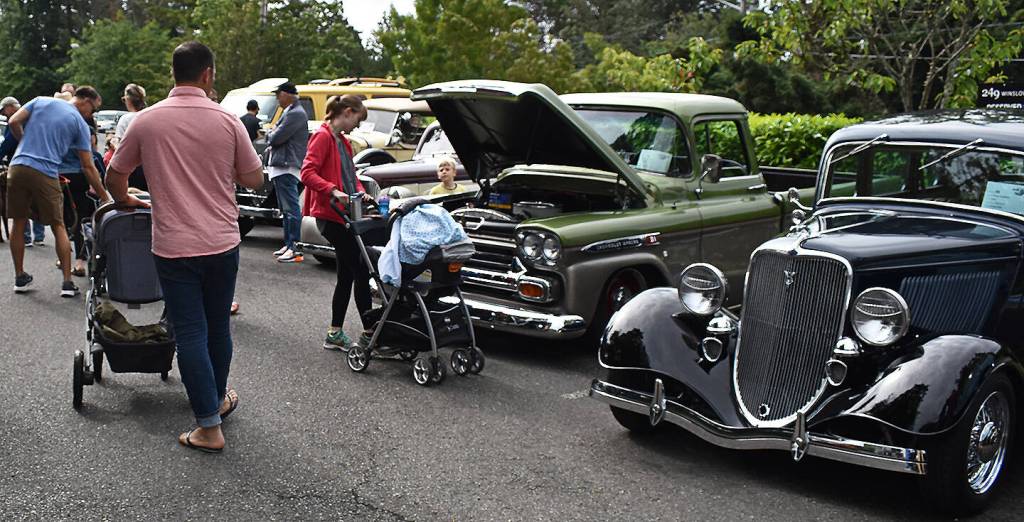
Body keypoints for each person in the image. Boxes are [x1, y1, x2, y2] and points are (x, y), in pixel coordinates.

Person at [106, 41, 263, 453]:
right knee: (216, 329)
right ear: (208, 74)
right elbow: (253, 179)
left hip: (173, 245)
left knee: (190, 331)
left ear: (173, 74)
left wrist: (126, 200)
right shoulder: (228, 121)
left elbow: (114, 174)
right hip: (222, 241)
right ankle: (215, 402)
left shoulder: (147, 120)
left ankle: (209, 424)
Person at [6, 87, 109, 296]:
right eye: (93, 109)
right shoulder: (80, 123)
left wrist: (24, 142)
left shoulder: (40, 99)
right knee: (58, 224)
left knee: (18, 221)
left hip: (17, 166)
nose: (92, 115)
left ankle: (19, 277)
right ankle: (67, 283)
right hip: (45, 171)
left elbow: (13, 121)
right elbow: (88, 166)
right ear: (86, 101)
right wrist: (104, 195)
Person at [300, 95, 374, 351]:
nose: (357, 125)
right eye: (357, 119)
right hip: (329, 215)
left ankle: (334, 332)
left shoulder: (343, 141)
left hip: (344, 215)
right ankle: (369, 333)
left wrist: (361, 190)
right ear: (347, 112)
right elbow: (307, 172)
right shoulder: (322, 136)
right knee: (360, 269)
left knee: (346, 274)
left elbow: (351, 177)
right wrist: (332, 190)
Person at [265, 81, 308, 263]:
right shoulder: (290, 111)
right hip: (282, 164)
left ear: (288, 94)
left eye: (279, 94)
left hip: (287, 165)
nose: (277, 98)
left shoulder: (296, 113)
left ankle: (295, 247)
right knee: (286, 208)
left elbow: (276, 137)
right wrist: (272, 133)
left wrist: (270, 133)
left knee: (291, 208)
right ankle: (289, 244)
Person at [55, 124, 105, 276]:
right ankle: (79, 262)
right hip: (81, 181)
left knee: (60, 222)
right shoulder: (92, 155)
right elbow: (102, 175)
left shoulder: (60, 141)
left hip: (59, 180)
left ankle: (62, 260)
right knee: (82, 222)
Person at [1, 96, 46, 247]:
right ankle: (39, 236)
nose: (4, 114)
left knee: (22, 201)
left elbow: (8, 143)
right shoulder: (33, 118)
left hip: (20, 165)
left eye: (4, 110)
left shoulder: (15, 121)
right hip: (39, 164)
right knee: (37, 200)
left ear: (10, 107)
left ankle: (26, 237)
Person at [115, 83, 148, 190]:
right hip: (149, 164)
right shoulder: (149, 115)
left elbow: (119, 145)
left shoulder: (125, 119)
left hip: (131, 166)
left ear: (128, 100)